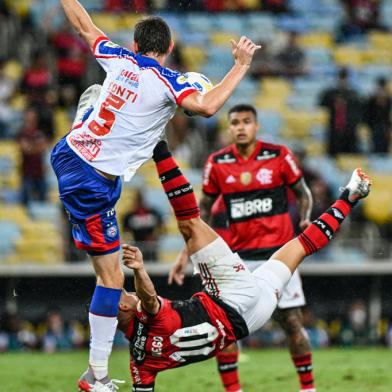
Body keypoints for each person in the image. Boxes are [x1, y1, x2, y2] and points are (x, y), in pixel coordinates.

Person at [51, 2, 260, 391]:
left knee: (102, 109)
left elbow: (83, 24)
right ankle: (95, 378)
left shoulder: (118, 56)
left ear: (136, 42)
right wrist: (241, 65)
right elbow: (209, 106)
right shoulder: (171, 82)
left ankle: (86, 114)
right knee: (112, 279)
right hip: (91, 180)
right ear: (169, 46)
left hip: (71, 155)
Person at [110, 140, 371, 392]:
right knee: (189, 224)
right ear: (123, 307)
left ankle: (350, 197)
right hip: (230, 296)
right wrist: (139, 269)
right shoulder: (147, 315)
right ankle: (160, 149)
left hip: (250, 320)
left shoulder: (139, 363)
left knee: (299, 248)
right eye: (125, 294)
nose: (129, 293)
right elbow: (148, 297)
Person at [170, 104, 314, 392]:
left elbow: (304, 193)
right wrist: (186, 253)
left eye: (246, 122)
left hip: (279, 257)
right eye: (235, 122)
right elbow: (202, 212)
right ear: (229, 128)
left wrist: (306, 217)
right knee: (224, 330)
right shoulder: (218, 163)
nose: (240, 127)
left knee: (293, 324)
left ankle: (308, 389)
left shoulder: (279, 156)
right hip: (238, 261)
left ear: (256, 126)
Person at [319, 67, 362, 156]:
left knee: (351, 156)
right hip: (335, 130)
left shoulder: (354, 95)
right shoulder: (330, 93)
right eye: (341, 78)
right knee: (334, 154)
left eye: (345, 78)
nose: (343, 81)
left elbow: (359, 112)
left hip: (350, 131)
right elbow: (321, 104)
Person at [122, 189, 164, 262]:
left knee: (152, 266)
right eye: (138, 198)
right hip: (136, 246)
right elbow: (125, 231)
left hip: (151, 247)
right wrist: (130, 241)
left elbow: (162, 228)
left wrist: (156, 238)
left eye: (141, 197)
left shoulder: (153, 212)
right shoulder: (129, 215)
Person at [364, 77, 391, 154]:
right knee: (374, 149)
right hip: (374, 128)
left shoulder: (388, 100)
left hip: (384, 129)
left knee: (384, 150)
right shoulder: (371, 100)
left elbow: (387, 117)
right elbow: (367, 115)